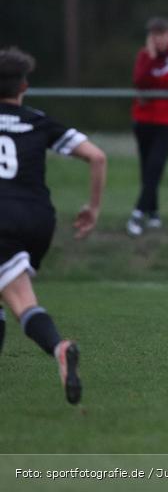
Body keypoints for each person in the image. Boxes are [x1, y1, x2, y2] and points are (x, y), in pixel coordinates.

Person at [0, 47, 107, 404]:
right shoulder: (38, 120)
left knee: (17, 298)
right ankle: (59, 348)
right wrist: (92, 208)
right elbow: (96, 156)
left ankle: (58, 346)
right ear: (24, 86)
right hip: (37, 219)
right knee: (12, 294)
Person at [127, 16, 168, 236]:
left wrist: (154, 91)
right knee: (147, 169)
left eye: (162, 34)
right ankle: (153, 213)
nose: (159, 39)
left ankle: (137, 213)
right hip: (143, 120)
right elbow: (139, 81)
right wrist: (151, 58)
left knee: (155, 166)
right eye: (154, 35)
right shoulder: (144, 55)